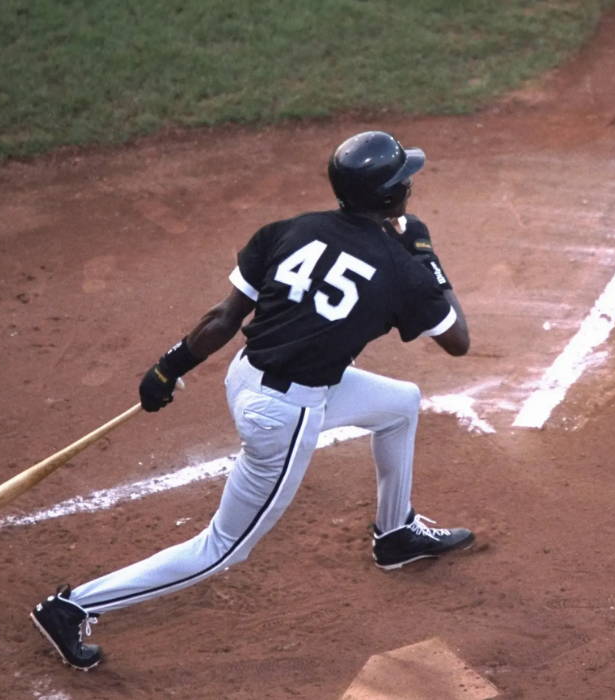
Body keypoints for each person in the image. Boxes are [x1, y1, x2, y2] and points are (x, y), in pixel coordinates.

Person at [30, 130, 476, 670]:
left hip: (246, 376)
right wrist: (426, 256)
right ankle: (73, 606)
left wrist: (167, 369)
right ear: (391, 197)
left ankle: (396, 532)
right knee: (222, 548)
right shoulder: (402, 268)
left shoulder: (291, 230)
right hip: (286, 415)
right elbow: (458, 342)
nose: (412, 182)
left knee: (400, 403)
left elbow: (223, 319)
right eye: (406, 177)